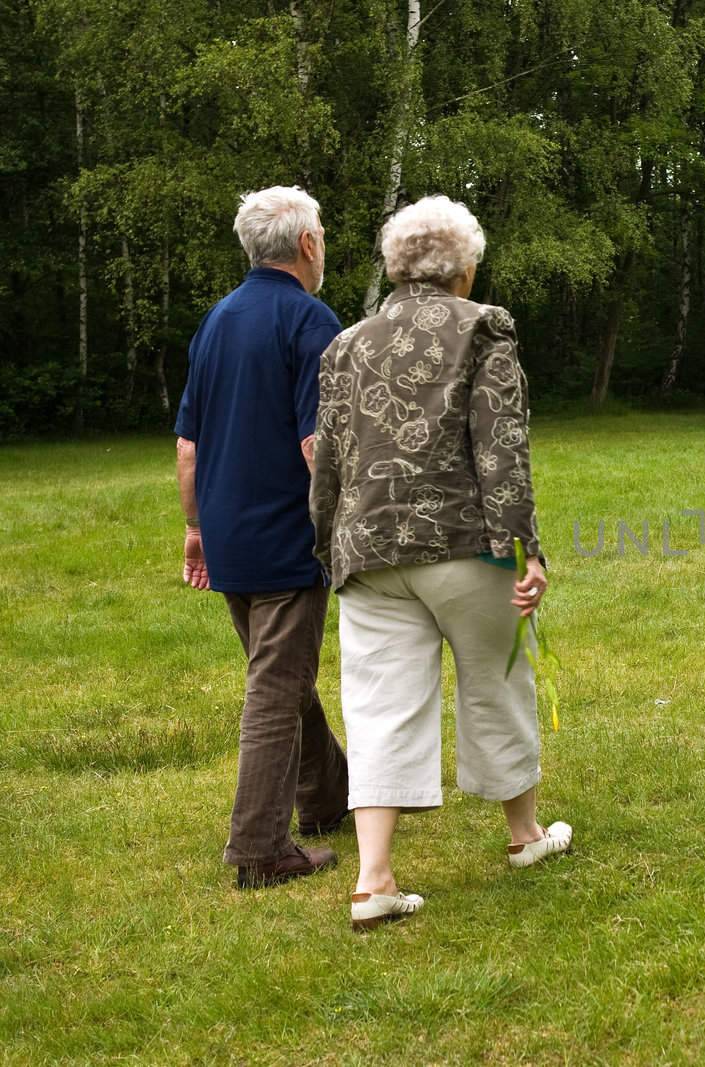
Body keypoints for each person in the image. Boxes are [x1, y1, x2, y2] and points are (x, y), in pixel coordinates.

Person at [310, 195, 570, 931]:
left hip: (367, 549)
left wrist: (327, 541)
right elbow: (501, 448)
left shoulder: (347, 344)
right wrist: (526, 548)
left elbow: (326, 458)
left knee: (379, 705)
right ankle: (524, 835)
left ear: (396, 266)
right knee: (497, 678)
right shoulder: (484, 325)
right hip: (464, 543)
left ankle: (374, 879)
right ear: (465, 268)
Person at [174, 186, 350, 889]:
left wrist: (194, 529)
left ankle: (328, 798)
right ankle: (258, 849)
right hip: (286, 538)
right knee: (277, 688)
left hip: (228, 536)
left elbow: (188, 445)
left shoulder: (214, 321)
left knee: (284, 676)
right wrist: (347, 525)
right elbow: (320, 444)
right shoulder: (310, 320)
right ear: (307, 245)